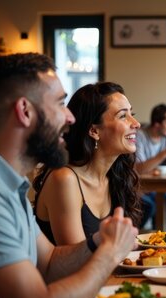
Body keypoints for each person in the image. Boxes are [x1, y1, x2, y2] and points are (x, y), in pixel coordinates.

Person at [0, 53, 137, 298]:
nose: (70, 118)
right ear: (25, 112)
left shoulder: (4, 184)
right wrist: (110, 253)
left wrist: (99, 241)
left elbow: (48, 263)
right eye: (59, 103)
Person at [33, 82, 142, 245]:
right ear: (94, 131)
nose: (136, 123)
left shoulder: (114, 176)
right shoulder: (64, 179)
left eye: (131, 113)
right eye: (123, 116)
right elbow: (74, 262)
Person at [135, 104, 166, 230]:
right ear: (156, 123)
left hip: (162, 188)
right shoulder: (139, 136)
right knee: (150, 205)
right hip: (141, 189)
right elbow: (139, 169)